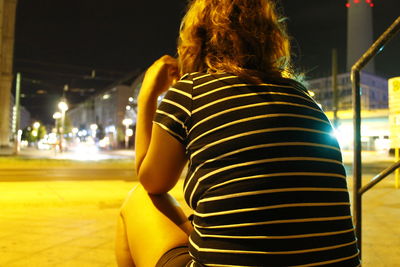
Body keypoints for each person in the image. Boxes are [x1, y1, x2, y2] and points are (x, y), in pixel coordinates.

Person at [115, 0, 361, 266]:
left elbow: (151, 182)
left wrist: (147, 96)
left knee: (137, 199)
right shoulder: (303, 97)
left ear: (197, 38)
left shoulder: (191, 91)